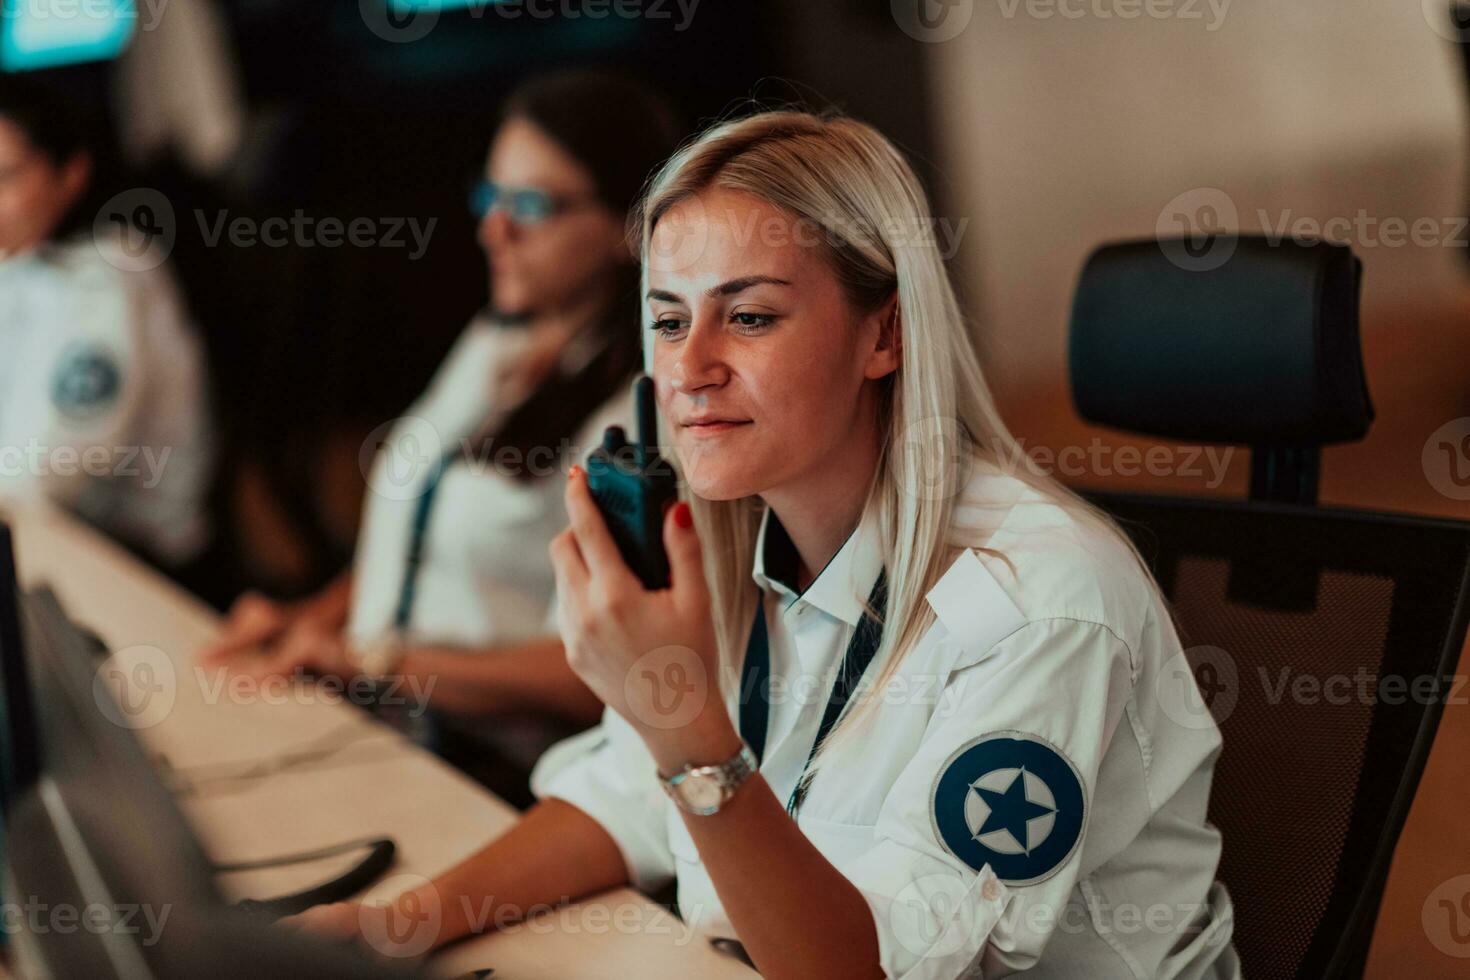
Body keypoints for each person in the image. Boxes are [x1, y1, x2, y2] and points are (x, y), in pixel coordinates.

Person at [287, 109, 1241, 978]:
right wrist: (393, 928)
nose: (690, 368)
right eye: (667, 319)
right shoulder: (730, 542)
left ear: (886, 334)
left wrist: (686, 728)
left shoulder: (1041, 605)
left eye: (748, 317)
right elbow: (624, 801)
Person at [200, 71, 685, 789]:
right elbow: (417, 531)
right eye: (488, 195)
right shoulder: (497, 339)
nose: (494, 228)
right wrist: (308, 622)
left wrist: (376, 662)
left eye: (532, 204)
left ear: (627, 228)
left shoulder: (637, 417)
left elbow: (594, 677)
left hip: (492, 771)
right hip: (385, 724)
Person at [0, 79, 213, 566]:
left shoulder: (113, 275)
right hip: (39, 537)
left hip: (133, 558)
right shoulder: (16, 261)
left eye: (7, 176)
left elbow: (41, 477)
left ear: (70, 174)